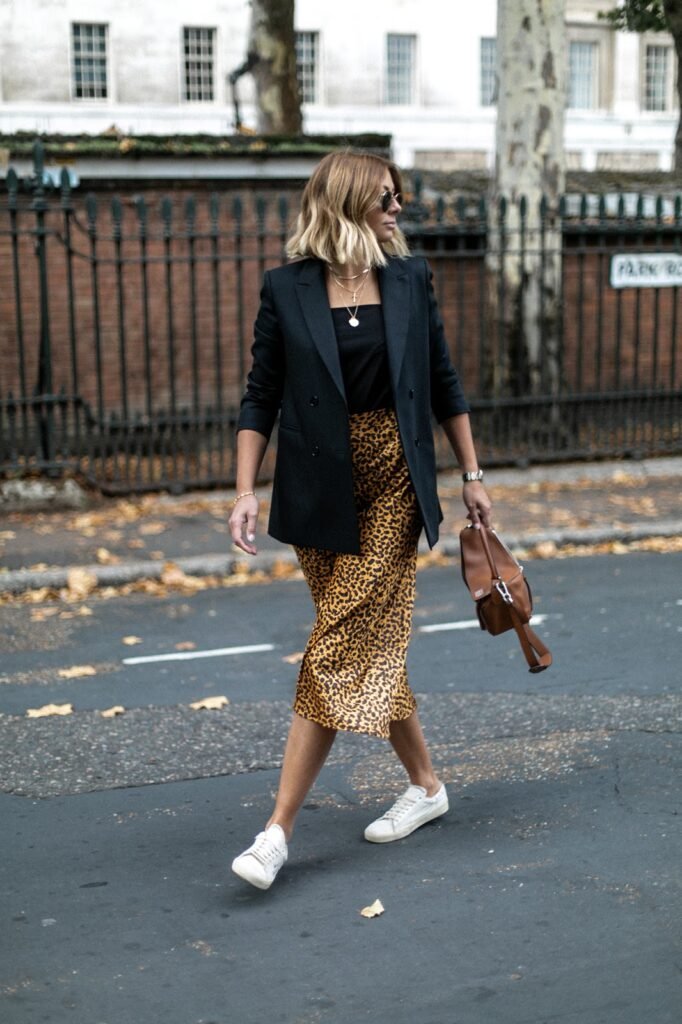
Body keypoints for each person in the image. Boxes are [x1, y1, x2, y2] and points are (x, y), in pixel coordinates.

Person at [228, 149, 492, 890]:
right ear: (345, 202)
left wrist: (471, 475)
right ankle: (428, 786)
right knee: (364, 642)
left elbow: (443, 380)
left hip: (395, 479)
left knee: (337, 644)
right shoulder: (287, 289)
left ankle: (277, 831)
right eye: (385, 197)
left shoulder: (408, 278)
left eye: (398, 197)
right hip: (318, 487)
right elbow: (261, 394)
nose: (398, 208)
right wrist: (244, 489)